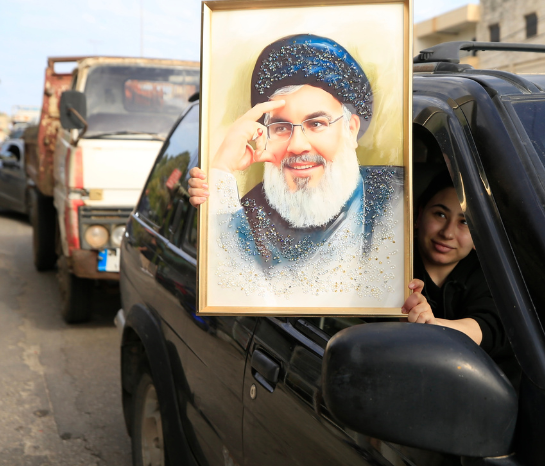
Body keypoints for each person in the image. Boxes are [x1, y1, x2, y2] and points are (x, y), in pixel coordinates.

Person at [189, 34, 403, 305]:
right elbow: (231, 295)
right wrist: (220, 172)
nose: (297, 145)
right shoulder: (246, 218)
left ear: (350, 130)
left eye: (317, 124)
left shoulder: (399, 199)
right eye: (281, 127)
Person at [399, 172, 509, 356]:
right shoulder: (388, 263)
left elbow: (492, 327)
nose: (447, 233)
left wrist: (431, 324)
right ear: (419, 215)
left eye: (464, 222)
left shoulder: (492, 274)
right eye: (440, 214)